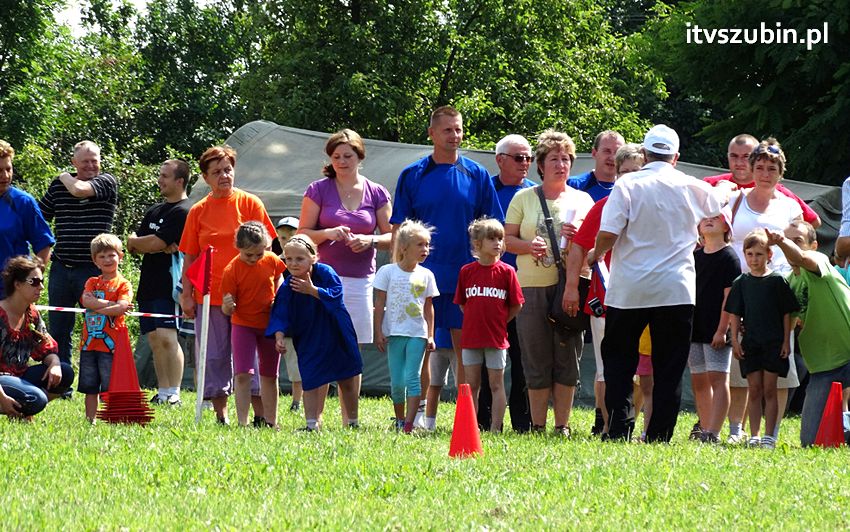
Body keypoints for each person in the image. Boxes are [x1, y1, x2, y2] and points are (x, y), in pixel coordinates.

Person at [590, 124, 722, 442]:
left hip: (629, 289)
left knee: (619, 360)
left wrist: (596, 252)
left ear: (646, 154)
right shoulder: (693, 186)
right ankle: (660, 434)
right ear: (675, 157)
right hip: (676, 289)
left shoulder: (628, 185)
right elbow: (719, 212)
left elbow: (610, 231)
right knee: (670, 364)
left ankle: (619, 427)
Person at [391, 106, 502, 424]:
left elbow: (492, 225)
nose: (455, 135)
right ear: (432, 134)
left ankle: (467, 417)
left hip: (464, 277)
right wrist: (399, 270)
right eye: (448, 130)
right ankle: (417, 416)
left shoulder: (477, 174)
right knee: (419, 347)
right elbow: (399, 227)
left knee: (465, 349)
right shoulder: (412, 175)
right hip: (420, 277)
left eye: (458, 129)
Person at [505, 129, 594, 436]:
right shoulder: (523, 197)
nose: (561, 164)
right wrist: (529, 246)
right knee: (535, 355)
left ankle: (563, 426)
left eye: (566, 159)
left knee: (567, 354)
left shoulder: (583, 199)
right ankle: (538, 424)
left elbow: (595, 245)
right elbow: (506, 239)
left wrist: (578, 237)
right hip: (530, 285)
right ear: (540, 165)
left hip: (571, 285)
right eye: (554, 159)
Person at [178, 145, 276, 425]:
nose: (224, 175)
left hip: (251, 297)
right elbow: (190, 256)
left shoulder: (250, 204)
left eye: (228, 169)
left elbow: (268, 248)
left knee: (253, 356)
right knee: (214, 355)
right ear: (206, 178)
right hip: (210, 296)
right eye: (217, 172)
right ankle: (221, 414)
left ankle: (259, 415)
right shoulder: (198, 211)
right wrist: (187, 294)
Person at [724, 139, 803, 444]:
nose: (765, 174)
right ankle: (737, 429)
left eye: (772, 168)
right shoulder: (735, 199)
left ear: (780, 173)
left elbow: (802, 240)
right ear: (751, 169)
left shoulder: (790, 205)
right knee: (742, 366)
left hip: (776, 293)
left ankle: (772, 433)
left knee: (778, 371)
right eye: (759, 167)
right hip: (741, 291)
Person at [566, 143, 644, 437]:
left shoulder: (655, 206)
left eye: (636, 171)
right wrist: (572, 286)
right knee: (604, 368)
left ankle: (631, 420)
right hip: (606, 299)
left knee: (642, 369)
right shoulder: (603, 206)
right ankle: (608, 423)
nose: (629, 177)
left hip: (645, 299)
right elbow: (579, 248)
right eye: (623, 172)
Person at [765, 222, 850, 446]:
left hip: (849, 352)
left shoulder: (819, 261)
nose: (791, 244)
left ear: (814, 245)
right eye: (787, 239)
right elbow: (787, 323)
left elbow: (802, 259)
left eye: (798, 240)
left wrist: (782, 241)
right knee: (811, 442)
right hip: (824, 366)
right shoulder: (789, 284)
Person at [267, 235, 363, 431]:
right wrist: (278, 335)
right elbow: (281, 312)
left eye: (299, 259)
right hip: (309, 336)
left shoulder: (325, 272)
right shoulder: (289, 284)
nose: (293, 263)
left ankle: (352, 422)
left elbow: (336, 295)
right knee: (309, 377)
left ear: (313, 257)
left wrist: (312, 290)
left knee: (346, 377)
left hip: (336, 332)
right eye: (289, 259)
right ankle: (311, 424)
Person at [39, 140, 118, 370]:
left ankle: (97, 379)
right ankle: (61, 381)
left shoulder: (106, 182)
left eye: (95, 161)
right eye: (85, 162)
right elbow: (39, 216)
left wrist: (63, 175)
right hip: (62, 268)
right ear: (75, 162)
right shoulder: (58, 187)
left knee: (98, 328)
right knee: (59, 328)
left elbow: (78, 189)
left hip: (95, 270)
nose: (91, 166)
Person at [475, 134, 535, 433]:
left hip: (527, 286)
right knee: (488, 359)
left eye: (529, 158)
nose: (525, 163)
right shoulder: (486, 191)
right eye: (518, 157)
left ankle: (523, 423)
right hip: (489, 288)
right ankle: (483, 422)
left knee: (524, 359)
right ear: (499, 159)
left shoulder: (535, 195)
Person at [725, 229, 799, 449]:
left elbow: (787, 313)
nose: (754, 259)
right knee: (754, 389)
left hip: (773, 343)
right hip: (751, 343)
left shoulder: (777, 281)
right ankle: (754, 434)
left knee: (770, 389)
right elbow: (734, 313)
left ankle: (770, 435)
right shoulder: (741, 282)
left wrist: (786, 341)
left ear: (769, 255)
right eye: (749, 254)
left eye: (758, 254)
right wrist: (736, 341)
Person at [127, 159, 191, 406]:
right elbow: (137, 247)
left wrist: (141, 242)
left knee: (167, 336)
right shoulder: (154, 211)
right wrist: (141, 243)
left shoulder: (184, 210)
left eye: (165, 176)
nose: (160, 180)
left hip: (170, 286)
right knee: (153, 339)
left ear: (180, 181)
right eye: (160, 175)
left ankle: (174, 392)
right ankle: (162, 391)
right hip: (148, 284)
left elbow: (154, 243)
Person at [455, 218, 523, 432]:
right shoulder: (466, 271)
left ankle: (495, 427)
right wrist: (477, 320)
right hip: (471, 338)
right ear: (477, 244)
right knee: (472, 385)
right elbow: (463, 304)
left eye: (500, 239)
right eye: (491, 238)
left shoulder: (507, 272)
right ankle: (471, 427)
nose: (497, 243)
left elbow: (516, 305)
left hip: (496, 339)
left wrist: (500, 322)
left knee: (496, 384)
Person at [373, 220, 439, 432]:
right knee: (397, 382)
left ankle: (409, 424)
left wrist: (430, 335)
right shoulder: (387, 272)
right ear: (403, 248)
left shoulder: (427, 275)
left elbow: (429, 307)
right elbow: (380, 303)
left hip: (417, 334)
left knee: (412, 376)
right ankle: (400, 418)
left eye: (427, 245)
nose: (425, 249)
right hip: (394, 333)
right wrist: (378, 332)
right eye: (420, 244)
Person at [221, 222, 286, 428]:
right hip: (243, 325)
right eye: (249, 255)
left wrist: (279, 294)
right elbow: (226, 308)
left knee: (269, 374)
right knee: (243, 374)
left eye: (259, 254)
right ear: (238, 247)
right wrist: (227, 305)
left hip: (269, 325)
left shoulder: (272, 260)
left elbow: (279, 278)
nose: (255, 259)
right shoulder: (231, 270)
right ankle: (243, 422)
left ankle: (271, 421)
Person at [688, 211, 740, 444]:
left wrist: (721, 330)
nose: (709, 220)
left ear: (727, 225)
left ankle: (715, 432)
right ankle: (705, 428)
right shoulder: (695, 256)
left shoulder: (729, 257)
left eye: (716, 217)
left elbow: (729, 299)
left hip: (716, 328)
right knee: (699, 380)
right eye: (705, 217)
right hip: (695, 327)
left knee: (718, 379)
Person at [0, 257, 74, 419]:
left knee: (65, 372)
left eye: (41, 281)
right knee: (36, 399)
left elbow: (47, 347)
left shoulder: (31, 313)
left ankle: (21, 409)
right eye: (33, 282)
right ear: (17, 284)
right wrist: (2, 398)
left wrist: (54, 364)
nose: (40, 287)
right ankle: (16, 406)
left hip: (18, 375)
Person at [704, 134, 820, 227]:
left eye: (745, 156)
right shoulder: (712, 185)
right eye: (734, 156)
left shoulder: (782, 195)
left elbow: (813, 221)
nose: (739, 162)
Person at [78, 234, 133, 422]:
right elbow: (86, 301)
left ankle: (112, 418)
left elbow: (122, 307)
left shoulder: (124, 284)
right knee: (89, 386)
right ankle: (90, 419)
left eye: (111, 255)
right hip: (89, 344)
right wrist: (111, 306)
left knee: (111, 385)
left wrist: (98, 305)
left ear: (120, 256)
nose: (107, 260)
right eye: (101, 256)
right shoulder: (92, 282)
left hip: (112, 345)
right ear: (95, 260)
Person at [0, 140, 54, 299]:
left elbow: (44, 246)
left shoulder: (24, 202)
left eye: (8, 169)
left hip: (11, 294)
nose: (5, 175)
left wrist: (32, 282)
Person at [275, 216, 303, 412]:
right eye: (283, 238)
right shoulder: (275, 263)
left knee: (297, 363)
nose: (287, 241)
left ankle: (297, 401)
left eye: (291, 236)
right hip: (282, 321)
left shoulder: (306, 264)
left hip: (301, 321)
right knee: (287, 361)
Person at [567, 130, 626, 202]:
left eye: (617, 152)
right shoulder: (574, 185)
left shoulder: (627, 190)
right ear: (594, 153)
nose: (612, 157)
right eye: (607, 151)